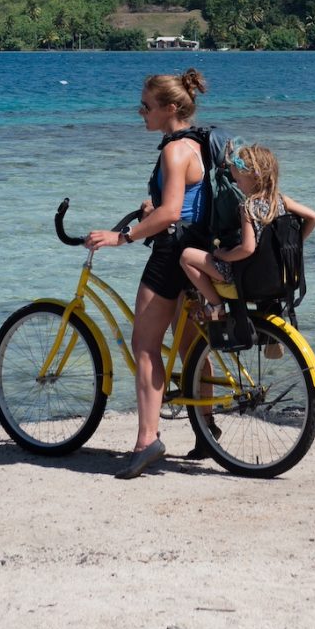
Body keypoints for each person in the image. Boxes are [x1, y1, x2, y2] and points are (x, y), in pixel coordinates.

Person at [83, 68, 210, 479]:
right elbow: (188, 203)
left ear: (170, 108)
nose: (140, 112)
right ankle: (207, 433)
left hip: (171, 253)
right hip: (197, 248)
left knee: (145, 346)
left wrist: (123, 237)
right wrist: (152, 207)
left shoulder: (174, 151)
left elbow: (173, 213)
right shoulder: (199, 144)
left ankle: (146, 441)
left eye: (146, 106)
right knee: (191, 348)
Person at [181, 143, 315, 317]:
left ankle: (216, 306)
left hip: (246, 276)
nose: (238, 186)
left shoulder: (248, 207)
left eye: (239, 181)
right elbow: (314, 217)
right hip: (276, 274)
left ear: (254, 178)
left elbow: (247, 248)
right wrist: (294, 244)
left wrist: (222, 255)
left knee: (187, 256)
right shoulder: (281, 200)